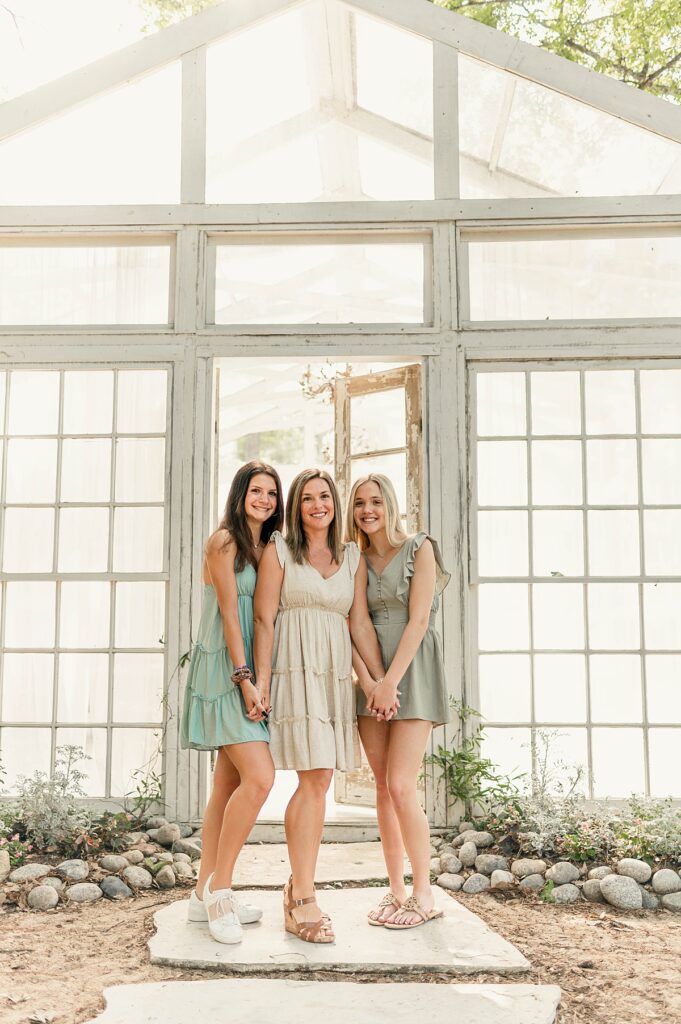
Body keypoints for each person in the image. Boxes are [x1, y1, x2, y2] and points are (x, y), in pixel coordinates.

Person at [254, 469, 384, 944]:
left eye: (324, 496)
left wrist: (375, 682)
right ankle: (303, 895)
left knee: (321, 777)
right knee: (314, 777)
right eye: (307, 498)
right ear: (296, 506)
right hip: (293, 670)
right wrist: (261, 684)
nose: (316, 505)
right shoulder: (280, 551)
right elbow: (264, 619)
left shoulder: (353, 557)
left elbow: (359, 625)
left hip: (331, 675)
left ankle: (296, 888)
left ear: (335, 503)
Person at [180, 460, 284, 944]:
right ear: (240, 493)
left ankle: (203, 895)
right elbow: (228, 613)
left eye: (271, 493)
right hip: (224, 668)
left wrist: (262, 681)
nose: (264, 499)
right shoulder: (223, 541)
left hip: (249, 673)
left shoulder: (268, 549)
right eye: (256, 490)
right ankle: (222, 889)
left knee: (228, 785)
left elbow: (264, 619)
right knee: (260, 778)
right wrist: (244, 680)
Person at [347, 473, 451, 931]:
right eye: (359, 503)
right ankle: (396, 890)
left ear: (389, 504)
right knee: (383, 789)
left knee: (403, 785)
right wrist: (370, 683)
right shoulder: (354, 559)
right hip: (370, 678)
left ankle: (425, 893)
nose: (368, 510)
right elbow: (352, 623)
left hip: (413, 672)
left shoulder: (420, 548)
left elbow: (420, 619)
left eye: (375, 501)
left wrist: (391, 682)